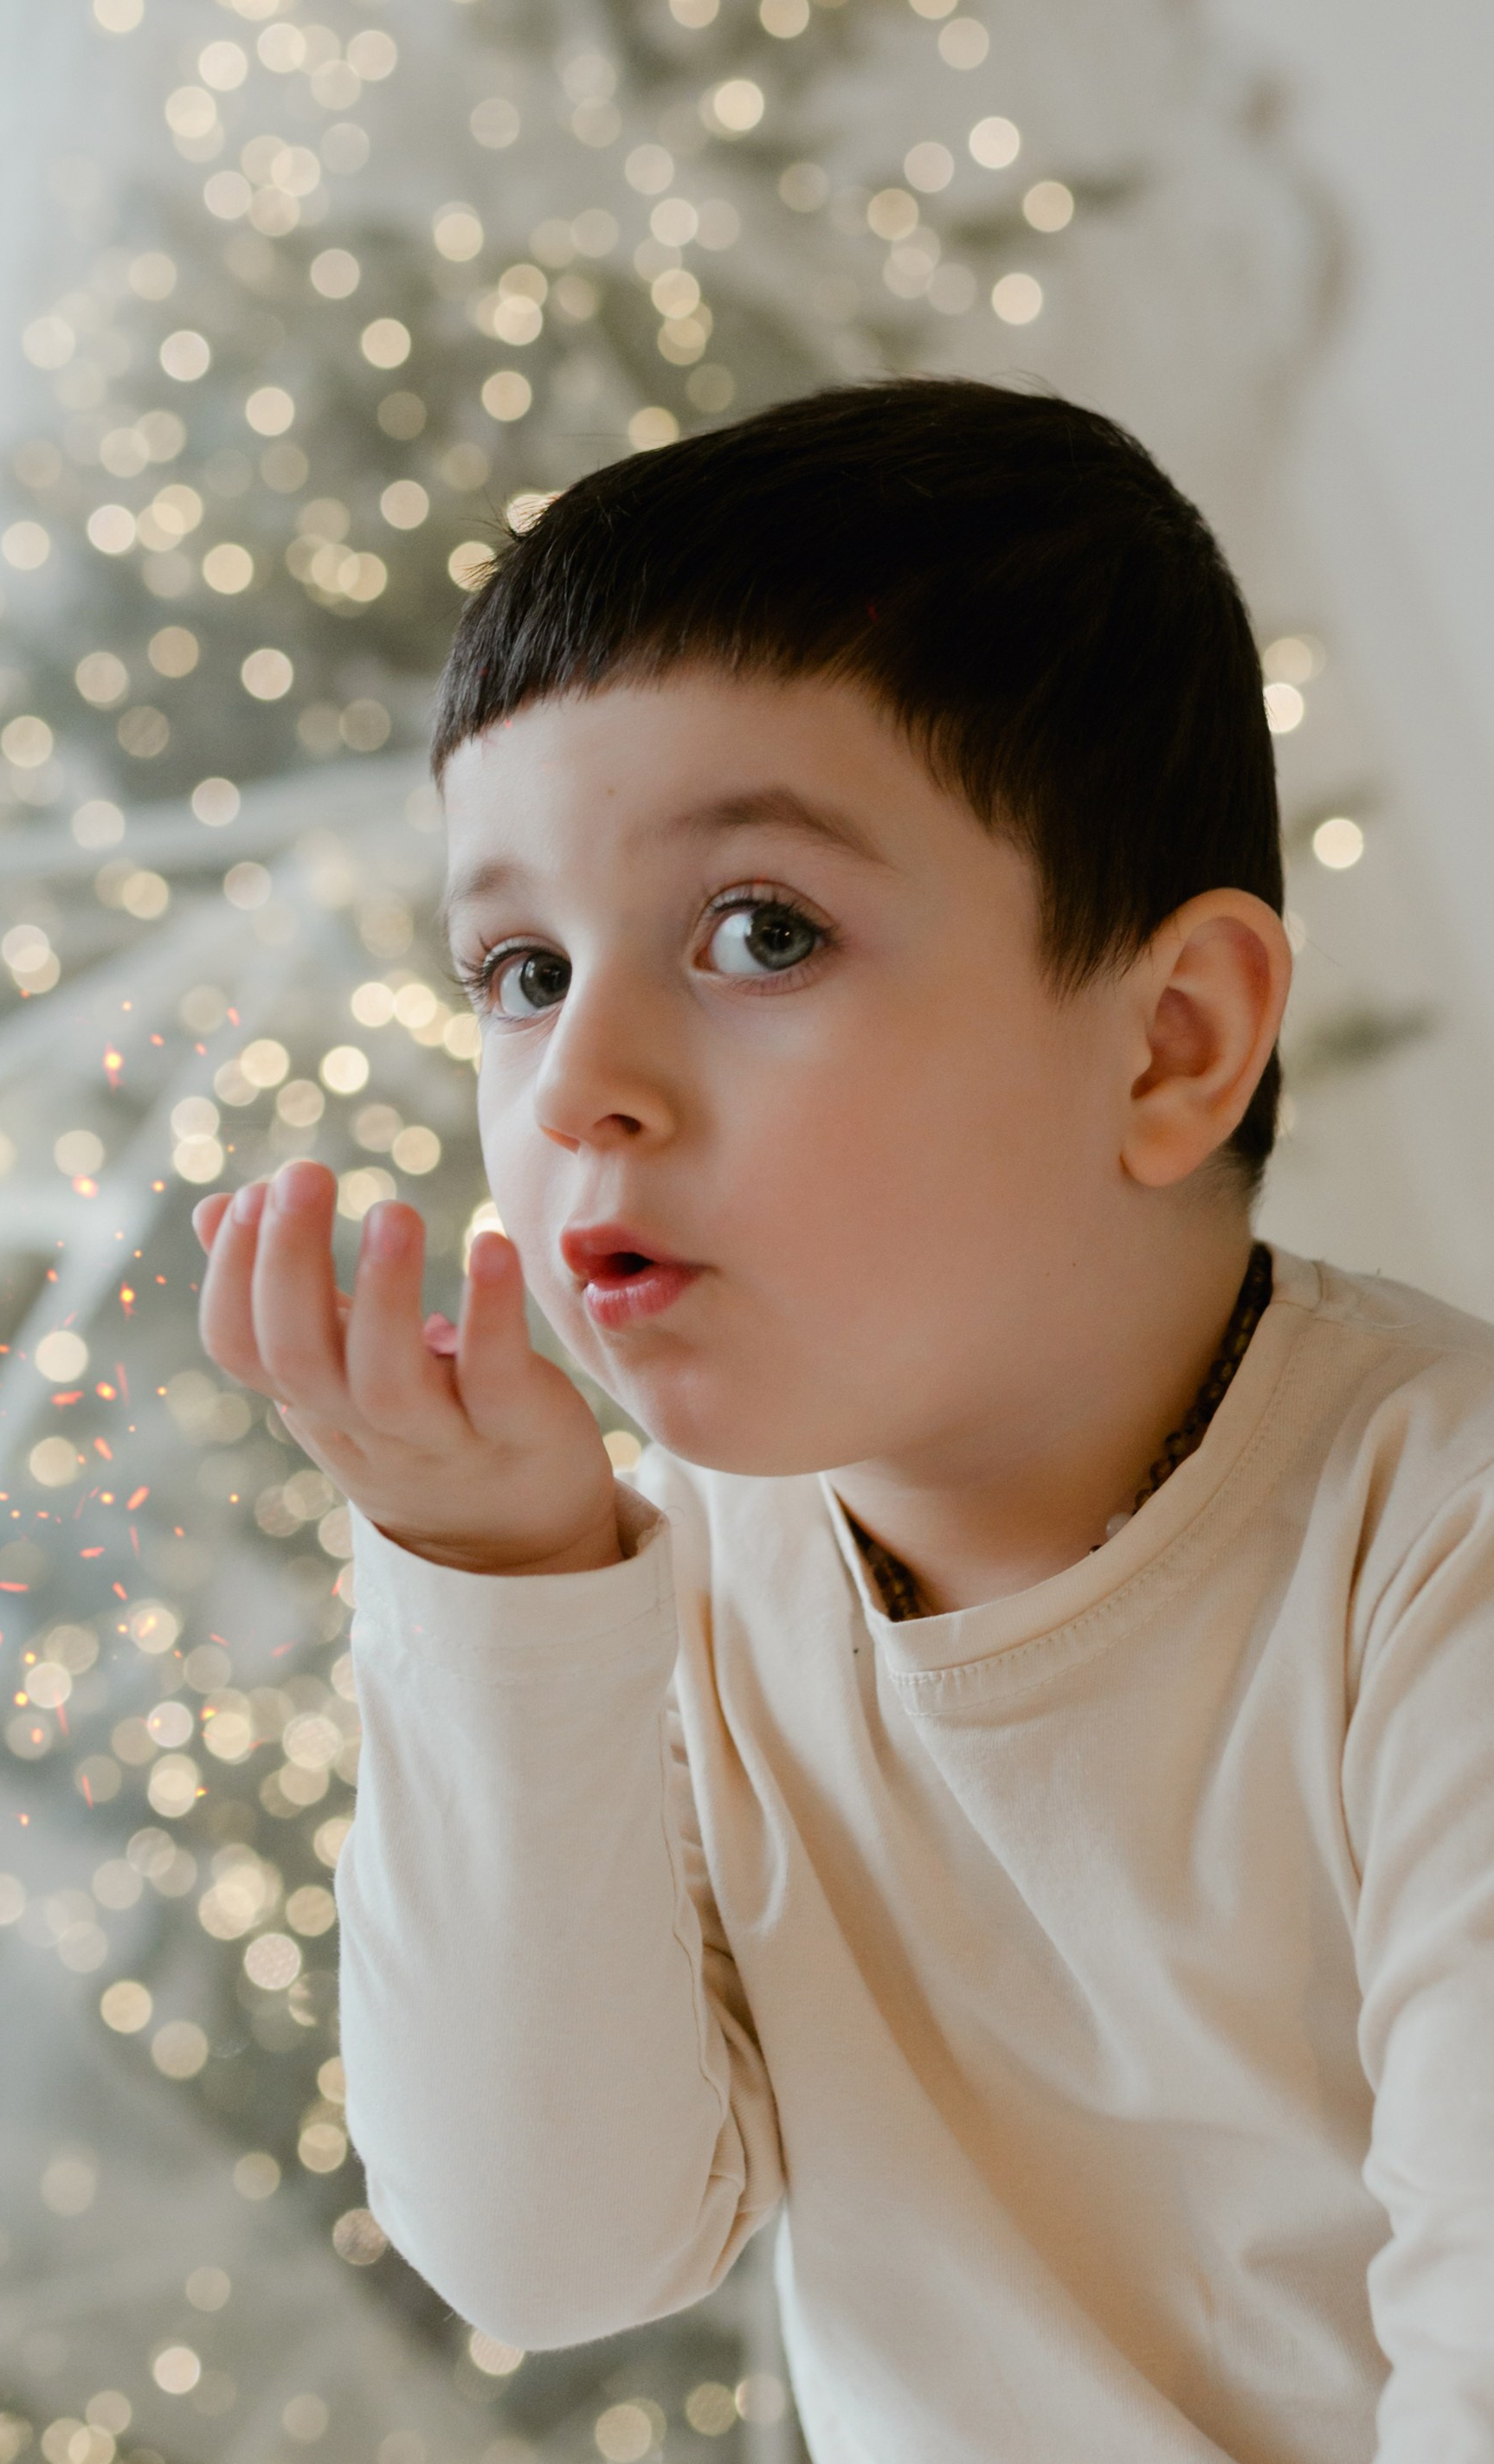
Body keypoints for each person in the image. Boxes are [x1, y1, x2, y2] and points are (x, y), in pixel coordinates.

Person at [191, 379, 1494, 2463]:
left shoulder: (1434, 1550)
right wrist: (503, 1580)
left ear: (1171, 1042)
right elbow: (555, 2249)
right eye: (517, 968)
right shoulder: (700, 1552)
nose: (578, 1078)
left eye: (759, 931)